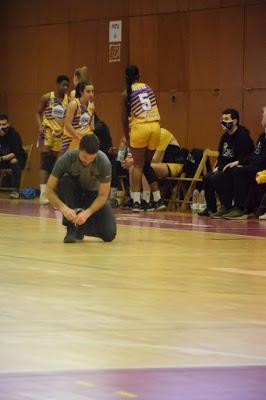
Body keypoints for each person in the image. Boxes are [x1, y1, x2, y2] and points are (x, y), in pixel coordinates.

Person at [46, 134, 116, 243]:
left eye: (91, 159)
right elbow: (49, 190)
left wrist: (87, 213)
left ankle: (81, 227)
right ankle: (71, 228)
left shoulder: (104, 162)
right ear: (79, 149)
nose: (87, 162)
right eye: (84, 158)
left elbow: (103, 196)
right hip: (74, 193)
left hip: (93, 195)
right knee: (64, 181)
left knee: (109, 234)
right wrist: (63, 208)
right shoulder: (67, 158)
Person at [198, 108, 254, 217]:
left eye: (226, 119)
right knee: (207, 177)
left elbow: (249, 155)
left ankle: (228, 206)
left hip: (237, 168)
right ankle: (211, 208)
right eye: (222, 119)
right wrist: (218, 166)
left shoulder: (243, 136)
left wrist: (238, 162)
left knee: (218, 177)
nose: (223, 122)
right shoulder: (225, 136)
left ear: (235, 121)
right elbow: (221, 155)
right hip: (225, 168)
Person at [122, 64, 163, 211]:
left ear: (126, 77)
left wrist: (127, 137)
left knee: (138, 166)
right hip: (155, 126)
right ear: (139, 76)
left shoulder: (126, 93)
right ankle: (158, 200)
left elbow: (123, 120)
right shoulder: (148, 87)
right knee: (146, 164)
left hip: (140, 128)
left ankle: (137, 202)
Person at [121, 127, 183, 210]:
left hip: (173, 164)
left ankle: (147, 200)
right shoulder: (146, 139)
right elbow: (131, 156)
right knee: (135, 165)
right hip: (157, 165)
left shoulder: (162, 134)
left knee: (143, 165)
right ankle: (135, 199)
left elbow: (156, 159)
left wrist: (134, 159)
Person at [222, 106, 266, 219]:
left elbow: (261, 159)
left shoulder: (243, 136)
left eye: (264, 114)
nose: (262, 117)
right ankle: (226, 206)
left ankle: (240, 208)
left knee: (238, 172)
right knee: (230, 170)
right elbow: (254, 155)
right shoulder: (262, 136)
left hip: (262, 169)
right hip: (253, 166)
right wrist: (239, 162)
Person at [36, 75, 70, 204]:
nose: (65, 88)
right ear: (57, 84)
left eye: (67, 85)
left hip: (60, 134)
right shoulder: (46, 97)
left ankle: (52, 192)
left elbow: (68, 119)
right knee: (45, 160)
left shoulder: (68, 100)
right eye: (63, 85)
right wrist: (40, 126)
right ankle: (43, 194)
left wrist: (62, 131)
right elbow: (37, 113)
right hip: (46, 133)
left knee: (57, 164)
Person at [61, 80, 95, 154]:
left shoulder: (91, 106)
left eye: (92, 91)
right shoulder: (74, 104)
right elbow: (67, 125)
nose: (91, 94)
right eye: (88, 91)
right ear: (81, 92)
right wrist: (79, 138)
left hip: (84, 140)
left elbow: (88, 125)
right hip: (71, 140)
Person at [0, 114, 27, 199]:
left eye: (4, 125)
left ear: (8, 124)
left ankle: (16, 191)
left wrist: (1, 158)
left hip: (19, 158)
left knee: (14, 161)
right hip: (4, 160)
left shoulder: (14, 134)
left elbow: (15, 152)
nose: (1, 127)